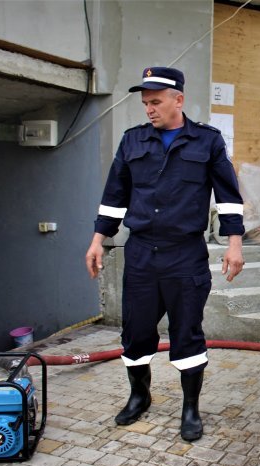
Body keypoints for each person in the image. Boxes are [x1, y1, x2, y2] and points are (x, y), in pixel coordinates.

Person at [85, 66, 245, 442]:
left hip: (184, 254)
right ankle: (139, 395)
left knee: (186, 333)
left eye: (155, 102)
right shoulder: (132, 141)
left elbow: (228, 196)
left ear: (178, 100)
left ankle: (190, 409)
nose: (149, 109)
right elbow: (114, 198)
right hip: (140, 253)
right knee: (135, 333)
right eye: (145, 103)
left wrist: (234, 243)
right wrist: (97, 240)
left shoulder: (207, 141)